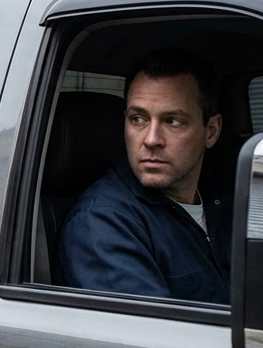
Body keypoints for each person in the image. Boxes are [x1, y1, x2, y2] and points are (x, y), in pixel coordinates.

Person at [57, 48, 232, 304]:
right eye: (138, 119)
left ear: (211, 131)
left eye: (173, 121)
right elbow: (151, 340)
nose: (151, 140)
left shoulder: (227, 196)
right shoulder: (102, 224)